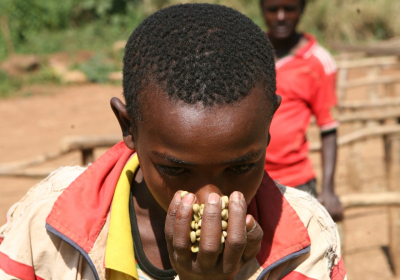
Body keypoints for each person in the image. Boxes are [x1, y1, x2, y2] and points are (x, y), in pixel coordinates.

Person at [0, 4, 346, 280]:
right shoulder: (47, 226)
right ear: (129, 128)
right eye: (175, 170)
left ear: (269, 126)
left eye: (240, 167)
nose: (209, 200)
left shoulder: (304, 242)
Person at [260, 0, 344, 221]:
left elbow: (328, 128)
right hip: (251, 177)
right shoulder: (252, 53)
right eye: (272, 9)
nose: (280, 16)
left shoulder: (318, 61)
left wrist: (328, 189)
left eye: (289, 9)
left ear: (301, 10)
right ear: (262, 10)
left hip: (296, 181)